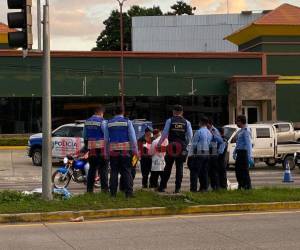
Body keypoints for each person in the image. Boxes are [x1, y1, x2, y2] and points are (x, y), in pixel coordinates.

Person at [158, 105, 193, 193]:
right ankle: (177, 188)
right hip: (181, 147)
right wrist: (185, 144)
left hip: (171, 146)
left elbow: (164, 134)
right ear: (182, 112)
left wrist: (159, 143)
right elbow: (190, 136)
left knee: (168, 167)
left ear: (173, 112)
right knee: (179, 167)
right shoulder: (187, 122)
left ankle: (162, 187)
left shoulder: (169, 121)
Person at [107, 106, 138, 198]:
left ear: (114, 112)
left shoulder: (108, 123)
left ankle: (112, 194)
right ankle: (129, 193)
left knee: (114, 172)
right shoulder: (127, 122)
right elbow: (132, 138)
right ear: (123, 112)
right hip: (125, 151)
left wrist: (106, 152)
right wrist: (135, 151)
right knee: (127, 172)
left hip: (113, 151)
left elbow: (106, 139)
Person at [83, 105, 109, 193]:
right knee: (103, 170)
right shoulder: (103, 121)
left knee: (92, 170)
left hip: (91, 149)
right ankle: (104, 191)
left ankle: (89, 191)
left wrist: (87, 147)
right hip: (101, 150)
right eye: (103, 114)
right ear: (101, 112)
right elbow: (106, 136)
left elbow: (84, 136)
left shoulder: (87, 121)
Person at [189, 117, 212, 192]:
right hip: (206, 153)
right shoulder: (209, 132)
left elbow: (194, 144)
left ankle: (193, 189)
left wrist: (190, 154)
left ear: (201, 122)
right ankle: (204, 188)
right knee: (204, 172)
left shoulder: (199, 132)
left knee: (194, 172)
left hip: (199, 153)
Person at [233, 115, 253, 190]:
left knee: (244, 171)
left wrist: (249, 156)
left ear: (241, 121)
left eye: (237, 121)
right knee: (238, 170)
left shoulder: (246, 131)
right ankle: (241, 184)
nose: (236, 123)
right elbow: (239, 143)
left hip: (244, 153)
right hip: (239, 152)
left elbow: (248, 144)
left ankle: (247, 186)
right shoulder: (241, 130)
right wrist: (235, 151)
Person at [207, 120, 223, 190]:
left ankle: (216, 186)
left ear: (210, 124)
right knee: (209, 170)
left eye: (207, 125)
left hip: (213, 149)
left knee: (214, 170)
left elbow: (220, 140)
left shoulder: (214, 130)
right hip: (208, 150)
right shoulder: (207, 130)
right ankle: (212, 186)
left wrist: (213, 135)